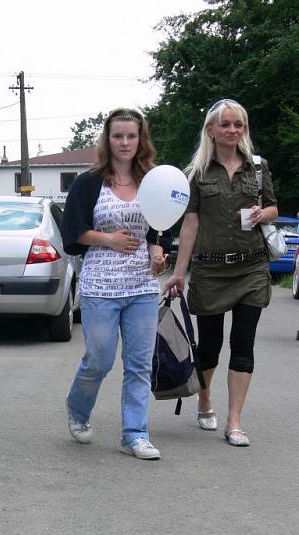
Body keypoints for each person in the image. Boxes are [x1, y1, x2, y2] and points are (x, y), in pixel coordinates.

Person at [164, 99, 277, 447]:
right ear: (211, 130)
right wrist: (179, 272)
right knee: (210, 347)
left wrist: (264, 214)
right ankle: (204, 397)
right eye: (225, 124)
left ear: (244, 130)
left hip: (252, 268)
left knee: (243, 344)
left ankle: (235, 421)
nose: (232, 130)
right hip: (211, 270)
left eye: (238, 125)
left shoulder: (257, 168)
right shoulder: (196, 174)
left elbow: (273, 206)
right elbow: (191, 223)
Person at [61, 108, 168, 460]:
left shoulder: (153, 180)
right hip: (100, 287)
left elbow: (157, 231)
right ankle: (78, 408)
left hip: (141, 287)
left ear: (141, 140)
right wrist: (108, 240)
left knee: (139, 364)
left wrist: (157, 252)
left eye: (131, 136)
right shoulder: (89, 182)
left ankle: (135, 434)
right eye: (118, 136)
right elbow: (72, 235)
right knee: (100, 359)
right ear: (107, 139)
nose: (125, 142)